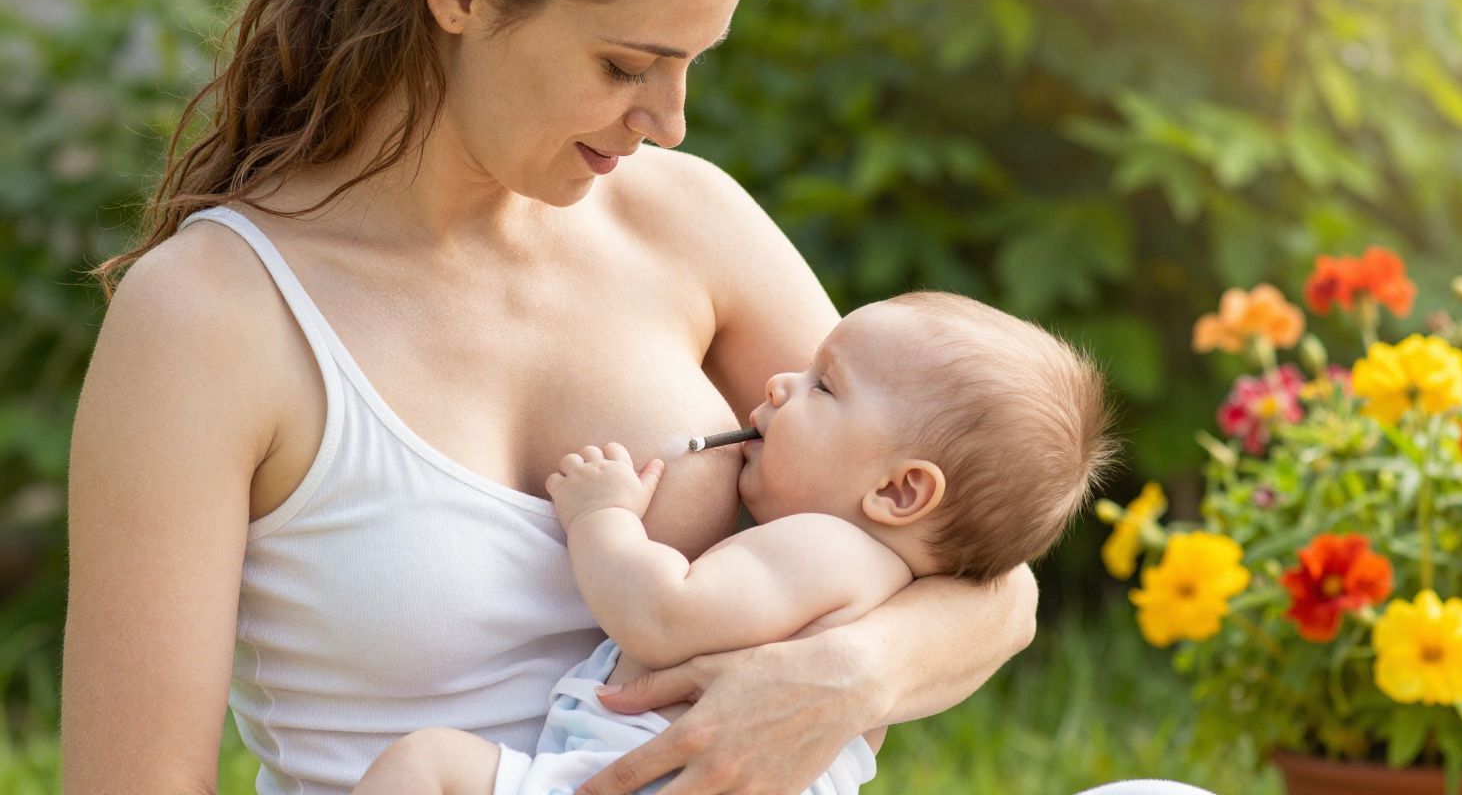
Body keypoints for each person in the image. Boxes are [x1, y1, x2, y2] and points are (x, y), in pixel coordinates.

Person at [59, 0, 1042, 794]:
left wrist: (844, 675)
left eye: (693, 64)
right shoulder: (212, 316)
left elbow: (992, 581)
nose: (669, 121)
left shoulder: (685, 218)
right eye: (625, 66)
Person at [349, 292, 1118, 795]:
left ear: (899, 492)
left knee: (425, 766)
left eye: (823, 385)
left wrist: (600, 517)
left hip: (625, 778)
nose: (780, 382)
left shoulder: (823, 548)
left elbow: (660, 617)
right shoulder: (877, 582)